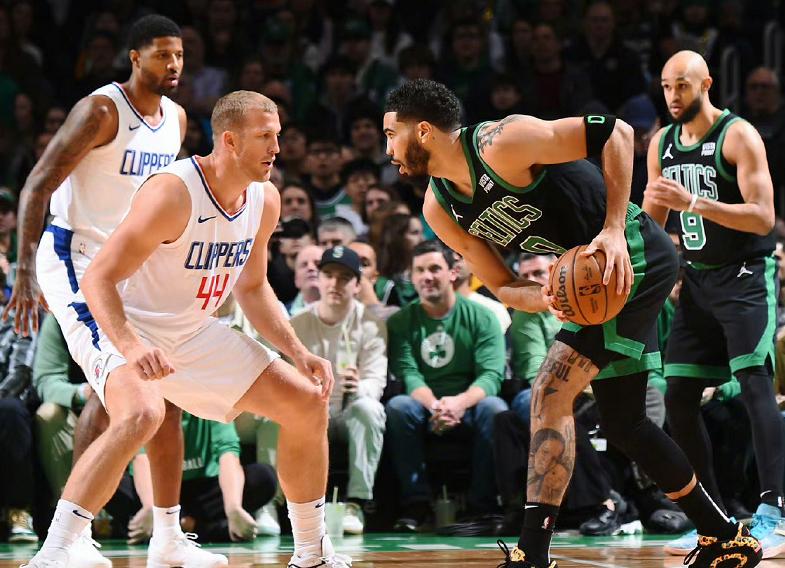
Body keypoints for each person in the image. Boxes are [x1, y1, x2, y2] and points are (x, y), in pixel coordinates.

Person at [383, 78, 760, 568]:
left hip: (634, 254)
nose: (388, 150)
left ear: (423, 131)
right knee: (627, 425)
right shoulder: (438, 207)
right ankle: (724, 535)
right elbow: (503, 285)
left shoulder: (503, 141)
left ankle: (532, 554)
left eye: (391, 134)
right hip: (593, 284)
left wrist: (613, 229)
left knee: (550, 391)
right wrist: (546, 296)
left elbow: (618, 132)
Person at [25, 91, 350, 568]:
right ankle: (55, 551)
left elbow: (253, 288)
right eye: (265, 136)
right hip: (122, 317)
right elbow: (98, 278)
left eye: (278, 136)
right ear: (230, 141)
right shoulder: (174, 192)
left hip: (189, 329)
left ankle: (312, 552)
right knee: (142, 413)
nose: (277, 148)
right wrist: (131, 346)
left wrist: (298, 351)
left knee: (306, 402)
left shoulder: (265, 199)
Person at [7, 15, 193, 568]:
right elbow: (37, 183)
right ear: (135, 58)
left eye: (179, 55)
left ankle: (115, 533)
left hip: (123, 263)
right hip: (73, 255)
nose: (174, 65)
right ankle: (64, 539)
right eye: (162, 55)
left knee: (121, 392)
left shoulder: (177, 118)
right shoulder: (101, 110)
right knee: (132, 389)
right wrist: (24, 270)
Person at [643, 50, 785, 559]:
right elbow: (651, 220)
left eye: (682, 85)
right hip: (697, 280)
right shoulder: (661, 142)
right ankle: (714, 518)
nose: (673, 95)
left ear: (706, 83)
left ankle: (776, 511)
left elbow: (763, 217)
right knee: (679, 394)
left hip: (745, 276)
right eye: (666, 86)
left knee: (755, 385)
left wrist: (695, 203)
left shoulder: (738, 135)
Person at [385, 240, 507, 530]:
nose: (427, 276)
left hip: (470, 404)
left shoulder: (483, 317)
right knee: (399, 407)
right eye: (420, 270)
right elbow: (409, 374)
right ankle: (415, 505)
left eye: (434, 268)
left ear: (453, 273)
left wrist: (459, 404)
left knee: (495, 408)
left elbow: (491, 375)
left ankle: (482, 506)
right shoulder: (401, 321)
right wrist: (436, 406)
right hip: (425, 405)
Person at [290, 246, 387, 535]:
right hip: (309, 411)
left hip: (347, 411)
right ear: (318, 279)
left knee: (370, 409)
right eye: (329, 275)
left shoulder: (371, 325)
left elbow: (376, 381)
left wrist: (359, 387)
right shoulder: (296, 324)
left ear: (357, 285)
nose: (335, 283)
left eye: (345, 277)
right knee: (277, 415)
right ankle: (274, 503)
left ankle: (356, 503)